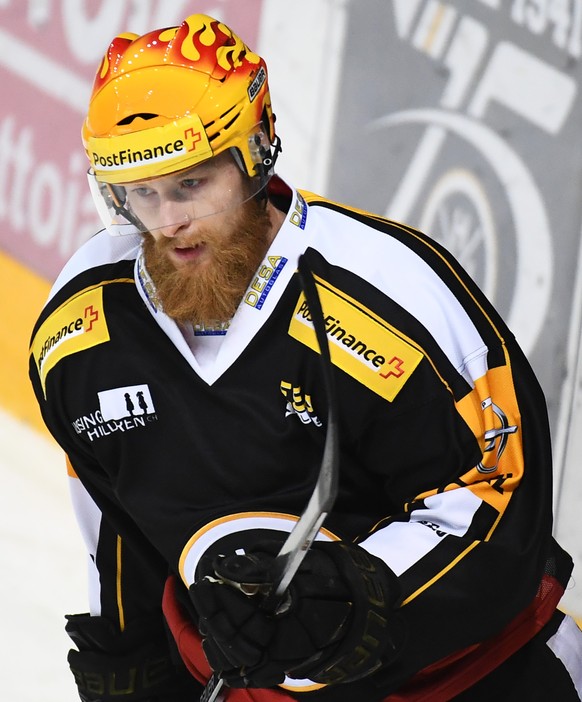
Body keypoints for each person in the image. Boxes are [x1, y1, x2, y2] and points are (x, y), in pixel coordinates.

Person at [28, 12, 582, 702]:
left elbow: (498, 501)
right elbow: (116, 513)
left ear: (255, 152)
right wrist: (130, 661)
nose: (167, 222)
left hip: (469, 683)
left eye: (192, 184)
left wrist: (352, 602)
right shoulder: (85, 330)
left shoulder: (389, 296)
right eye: (142, 194)